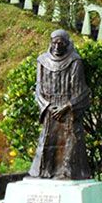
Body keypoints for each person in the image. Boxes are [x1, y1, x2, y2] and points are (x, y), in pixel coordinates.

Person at [29, 30, 92, 180]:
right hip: (49, 108)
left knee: (70, 143)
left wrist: (68, 107)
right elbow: (38, 88)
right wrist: (46, 106)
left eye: (60, 43)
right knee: (46, 142)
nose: (57, 46)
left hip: (67, 110)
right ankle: (45, 171)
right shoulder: (42, 60)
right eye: (54, 43)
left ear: (67, 43)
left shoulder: (74, 61)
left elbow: (81, 91)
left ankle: (68, 172)